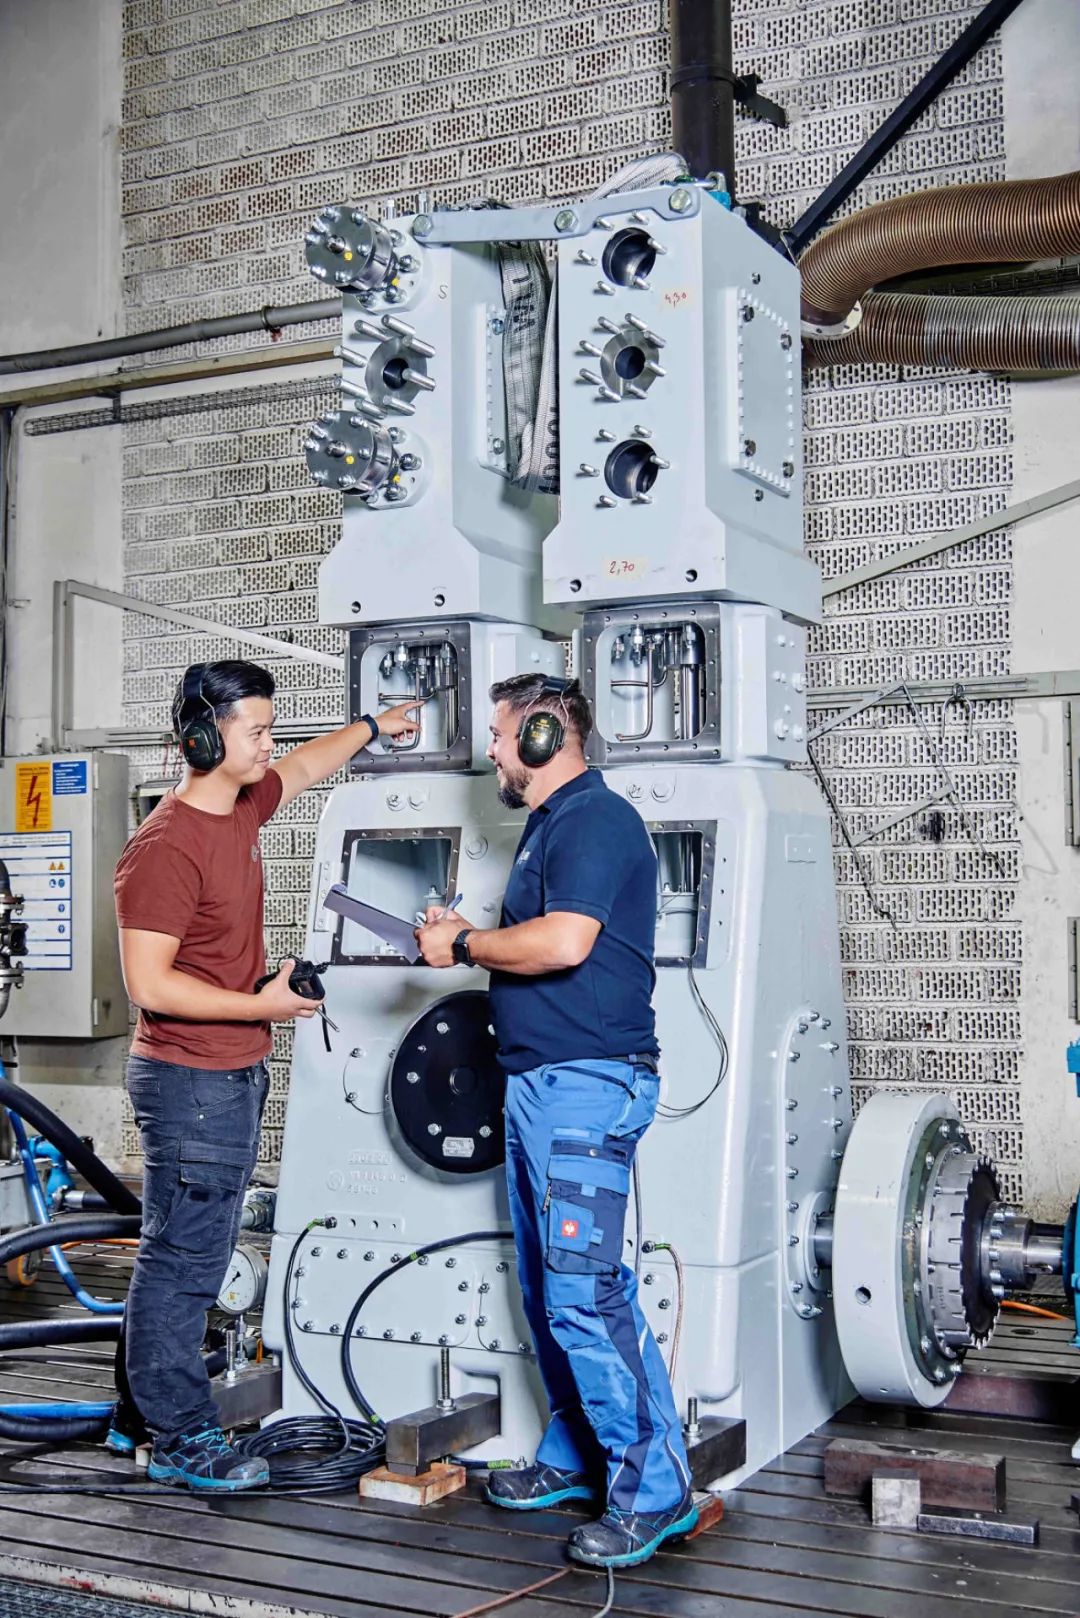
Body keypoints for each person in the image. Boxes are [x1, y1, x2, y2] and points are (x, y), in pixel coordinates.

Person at [110, 659, 418, 1491]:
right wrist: (265, 1006)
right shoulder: (165, 848)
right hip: (190, 1083)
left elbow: (306, 767)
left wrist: (375, 727)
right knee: (186, 1263)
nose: (269, 745)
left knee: (180, 1252)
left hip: (229, 1072)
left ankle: (136, 1414)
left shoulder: (242, 807)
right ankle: (181, 1438)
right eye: (255, 731)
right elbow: (150, 984)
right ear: (204, 739)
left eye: (270, 728)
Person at [416, 673, 695, 1569]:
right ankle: (578, 1455)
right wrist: (468, 935)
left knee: (585, 1292)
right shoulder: (552, 824)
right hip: (540, 1085)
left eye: (501, 735)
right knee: (547, 1291)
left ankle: (656, 1492)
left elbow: (567, 942)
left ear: (542, 735)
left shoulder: (593, 820)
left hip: (586, 1087)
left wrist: (464, 943)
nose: (492, 751)